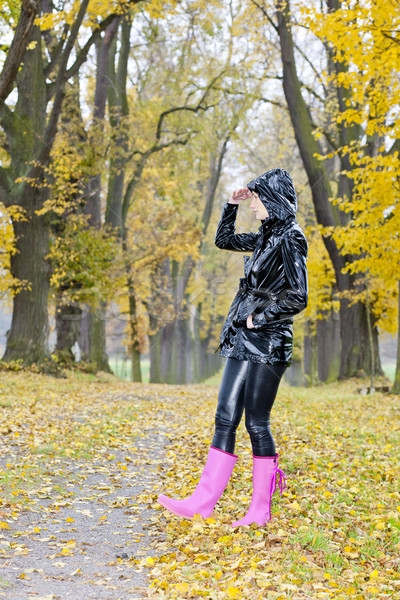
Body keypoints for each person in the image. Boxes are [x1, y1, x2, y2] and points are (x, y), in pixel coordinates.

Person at [158, 168, 308, 527]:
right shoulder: (264, 237)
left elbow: (299, 295)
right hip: (244, 337)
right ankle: (202, 502)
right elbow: (223, 240)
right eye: (252, 198)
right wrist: (230, 204)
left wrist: (261, 317)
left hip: (269, 341)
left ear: (272, 199)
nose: (253, 204)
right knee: (225, 415)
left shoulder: (291, 237)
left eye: (257, 198)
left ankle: (259, 511)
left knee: (257, 422)